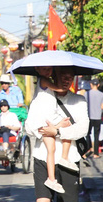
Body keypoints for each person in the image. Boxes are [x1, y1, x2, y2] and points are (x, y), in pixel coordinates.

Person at [25, 66, 88, 202]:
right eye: (62, 76)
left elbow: (82, 129)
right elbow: (29, 125)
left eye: (70, 77)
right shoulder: (42, 97)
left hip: (69, 159)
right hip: (43, 156)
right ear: (54, 77)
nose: (66, 80)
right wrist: (45, 130)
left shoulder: (79, 101)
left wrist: (57, 130)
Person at [26, 66, 77, 194]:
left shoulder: (45, 82)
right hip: (43, 121)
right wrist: (59, 73)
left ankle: (64, 158)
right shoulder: (43, 80)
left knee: (67, 126)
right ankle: (51, 178)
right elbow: (60, 88)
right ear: (38, 70)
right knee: (51, 149)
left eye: (49, 69)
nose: (47, 71)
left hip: (50, 119)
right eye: (44, 69)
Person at [85, 78, 103, 158]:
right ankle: (96, 153)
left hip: (89, 117)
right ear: (98, 85)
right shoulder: (101, 94)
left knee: (87, 134)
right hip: (97, 117)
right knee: (96, 135)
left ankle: (88, 149)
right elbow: (102, 106)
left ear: (91, 84)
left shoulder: (87, 94)